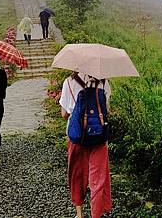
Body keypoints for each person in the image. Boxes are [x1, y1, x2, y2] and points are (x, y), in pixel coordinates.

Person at [60, 73, 112, 218]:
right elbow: (107, 110)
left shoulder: (69, 82)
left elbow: (64, 114)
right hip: (99, 137)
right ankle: (96, 214)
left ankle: (79, 214)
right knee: (98, 179)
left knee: (77, 175)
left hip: (77, 137)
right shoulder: (104, 83)